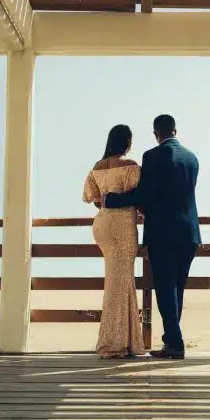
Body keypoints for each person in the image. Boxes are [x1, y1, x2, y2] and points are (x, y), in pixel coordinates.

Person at [103, 114, 201, 360]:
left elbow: (145, 194)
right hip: (189, 232)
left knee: (165, 289)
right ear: (175, 130)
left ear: (156, 133)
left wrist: (113, 200)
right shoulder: (192, 158)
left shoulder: (152, 156)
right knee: (177, 288)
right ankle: (172, 340)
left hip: (163, 233)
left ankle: (175, 344)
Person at [82, 124, 145, 359]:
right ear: (127, 142)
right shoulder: (129, 167)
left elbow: (94, 199)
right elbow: (139, 197)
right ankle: (112, 343)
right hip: (122, 226)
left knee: (118, 279)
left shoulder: (97, 167)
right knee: (120, 281)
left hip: (102, 225)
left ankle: (125, 340)